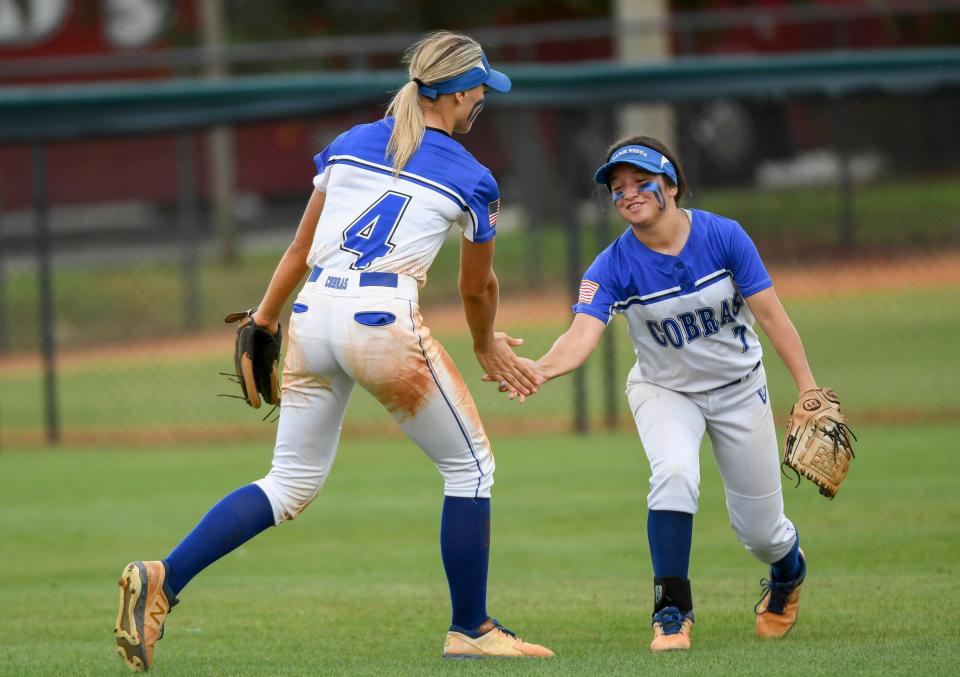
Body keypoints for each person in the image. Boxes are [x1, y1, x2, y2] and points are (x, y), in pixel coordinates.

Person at [113, 31, 554, 671]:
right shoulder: (471, 176)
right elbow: (477, 284)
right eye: (480, 87)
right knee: (471, 469)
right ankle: (470, 627)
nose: (483, 96)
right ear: (457, 93)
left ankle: (165, 577)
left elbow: (299, 249)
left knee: (288, 483)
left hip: (313, 316)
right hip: (381, 324)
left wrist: (265, 321)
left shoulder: (349, 144)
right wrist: (486, 344)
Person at [501, 135, 815, 652]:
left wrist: (807, 388)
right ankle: (671, 609)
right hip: (665, 389)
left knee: (761, 533)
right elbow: (580, 334)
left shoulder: (724, 236)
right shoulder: (611, 265)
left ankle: (787, 572)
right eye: (617, 188)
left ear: (671, 184)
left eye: (640, 182)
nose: (628, 194)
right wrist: (539, 369)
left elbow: (772, 315)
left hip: (740, 389)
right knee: (673, 474)